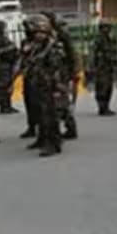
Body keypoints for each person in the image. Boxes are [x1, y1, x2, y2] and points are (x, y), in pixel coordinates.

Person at [25, 14, 67, 157]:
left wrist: (57, 89)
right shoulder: (37, 47)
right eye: (35, 32)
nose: (37, 35)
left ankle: (53, 143)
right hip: (39, 85)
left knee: (50, 116)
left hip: (50, 86)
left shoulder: (53, 48)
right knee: (40, 115)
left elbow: (57, 70)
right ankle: (42, 139)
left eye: (40, 32)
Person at [45, 12, 79, 140]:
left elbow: (72, 54)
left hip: (62, 73)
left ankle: (67, 128)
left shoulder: (61, 35)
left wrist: (74, 71)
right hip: (50, 73)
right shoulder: (46, 36)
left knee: (61, 103)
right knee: (58, 103)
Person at [17, 19, 41, 141]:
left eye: (29, 29)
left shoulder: (41, 43)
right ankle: (31, 126)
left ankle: (42, 129)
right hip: (28, 76)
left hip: (39, 77)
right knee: (29, 102)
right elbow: (21, 59)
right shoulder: (24, 42)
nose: (27, 31)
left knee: (39, 104)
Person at [0, 21, 19, 114]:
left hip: (8, 64)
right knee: (2, 86)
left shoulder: (5, 38)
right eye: (4, 27)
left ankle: (8, 105)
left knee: (8, 85)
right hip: (1, 65)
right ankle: (3, 106)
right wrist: (10, 48)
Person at [90, 22, 117, 116]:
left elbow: (114, 51)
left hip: (109, 66)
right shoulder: (98, 40)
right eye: (104, 27)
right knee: (102, 87)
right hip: (101, 67)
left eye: (108, 27)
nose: (107, 29)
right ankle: (102, 107)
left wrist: (115, 62)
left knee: (109, 87)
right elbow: (93, 54)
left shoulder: (111, 39)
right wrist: (93, 67)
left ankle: (107, 106)